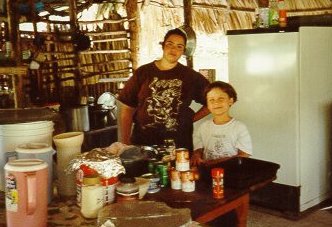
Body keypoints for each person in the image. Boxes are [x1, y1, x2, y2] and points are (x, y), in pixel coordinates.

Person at [117, 28, 210, 151]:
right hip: (143, 142)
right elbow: (127, 108)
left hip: (178, 145)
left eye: (179, 46)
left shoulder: (191, 76)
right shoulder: (143, 72)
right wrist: (125, 142)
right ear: (163, 46)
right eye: (170, 44)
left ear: (183, 51)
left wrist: (190, 119)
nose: (173, 49)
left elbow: (212, 100)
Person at [191, 81, 252, 166]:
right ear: (207, 105)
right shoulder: (203, 127)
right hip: (208, 171)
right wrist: (196, 155)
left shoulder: (239, 127)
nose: (216, 103)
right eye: (211, 100)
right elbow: (198, 148)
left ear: (231, 101)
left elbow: (244, 155)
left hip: (232, 172)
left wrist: (215, 162)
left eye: (221, 99)